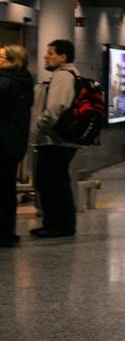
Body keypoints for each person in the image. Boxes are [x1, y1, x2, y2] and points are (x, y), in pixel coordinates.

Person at [29, 39, 80, 239]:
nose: (45, 57)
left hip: (54, 140)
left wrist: (40, 126)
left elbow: (57, 107)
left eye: (50, 53)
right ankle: (57, 223)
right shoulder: (69, 75)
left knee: (52, 181)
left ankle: (59, 224)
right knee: (55, 180)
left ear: (62, 57)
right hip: (59, 139)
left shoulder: (63, 77)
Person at [0, 45, 35, 247]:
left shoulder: (5, 81)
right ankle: (7, 232)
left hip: (2, 141)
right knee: (7, 189)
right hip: (13, 142)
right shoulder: (24, 80)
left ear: (12, 61)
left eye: (1, 57)